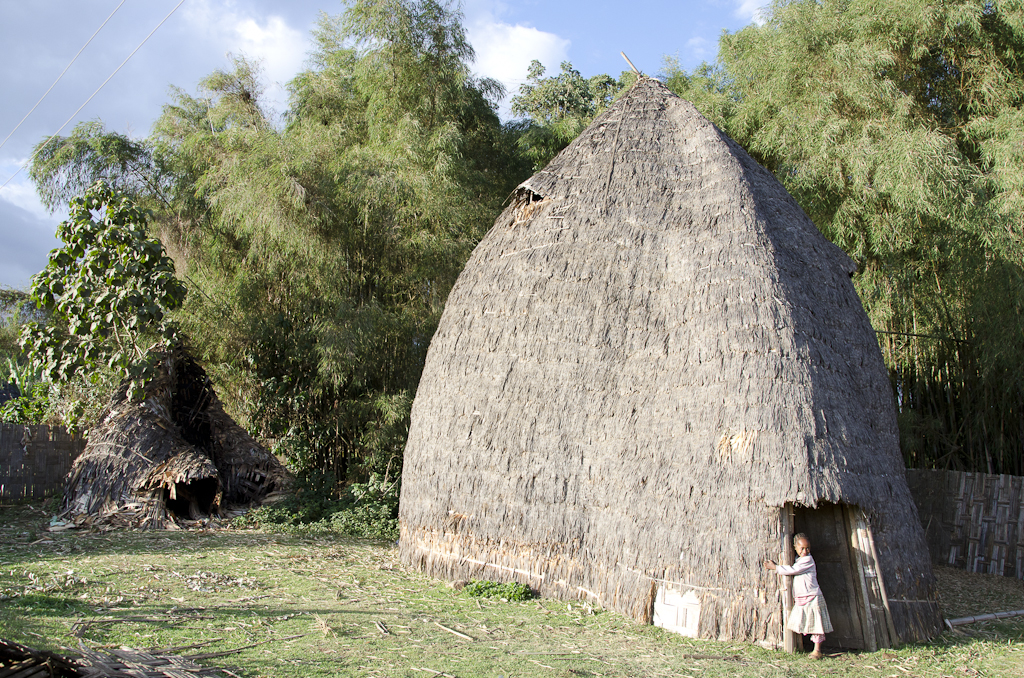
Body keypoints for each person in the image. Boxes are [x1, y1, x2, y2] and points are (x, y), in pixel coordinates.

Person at [764, 533, 833, 659]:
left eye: (807, 548)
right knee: (806, 621)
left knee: (817, 625)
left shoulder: (808, 560)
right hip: (803, 597)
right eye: (802, 548)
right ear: (795, 547)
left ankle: (817, 650)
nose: (805, 551)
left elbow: (793, 570)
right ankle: (803, 646)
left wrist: (775, 567)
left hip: (812, 596)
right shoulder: (798, 559)